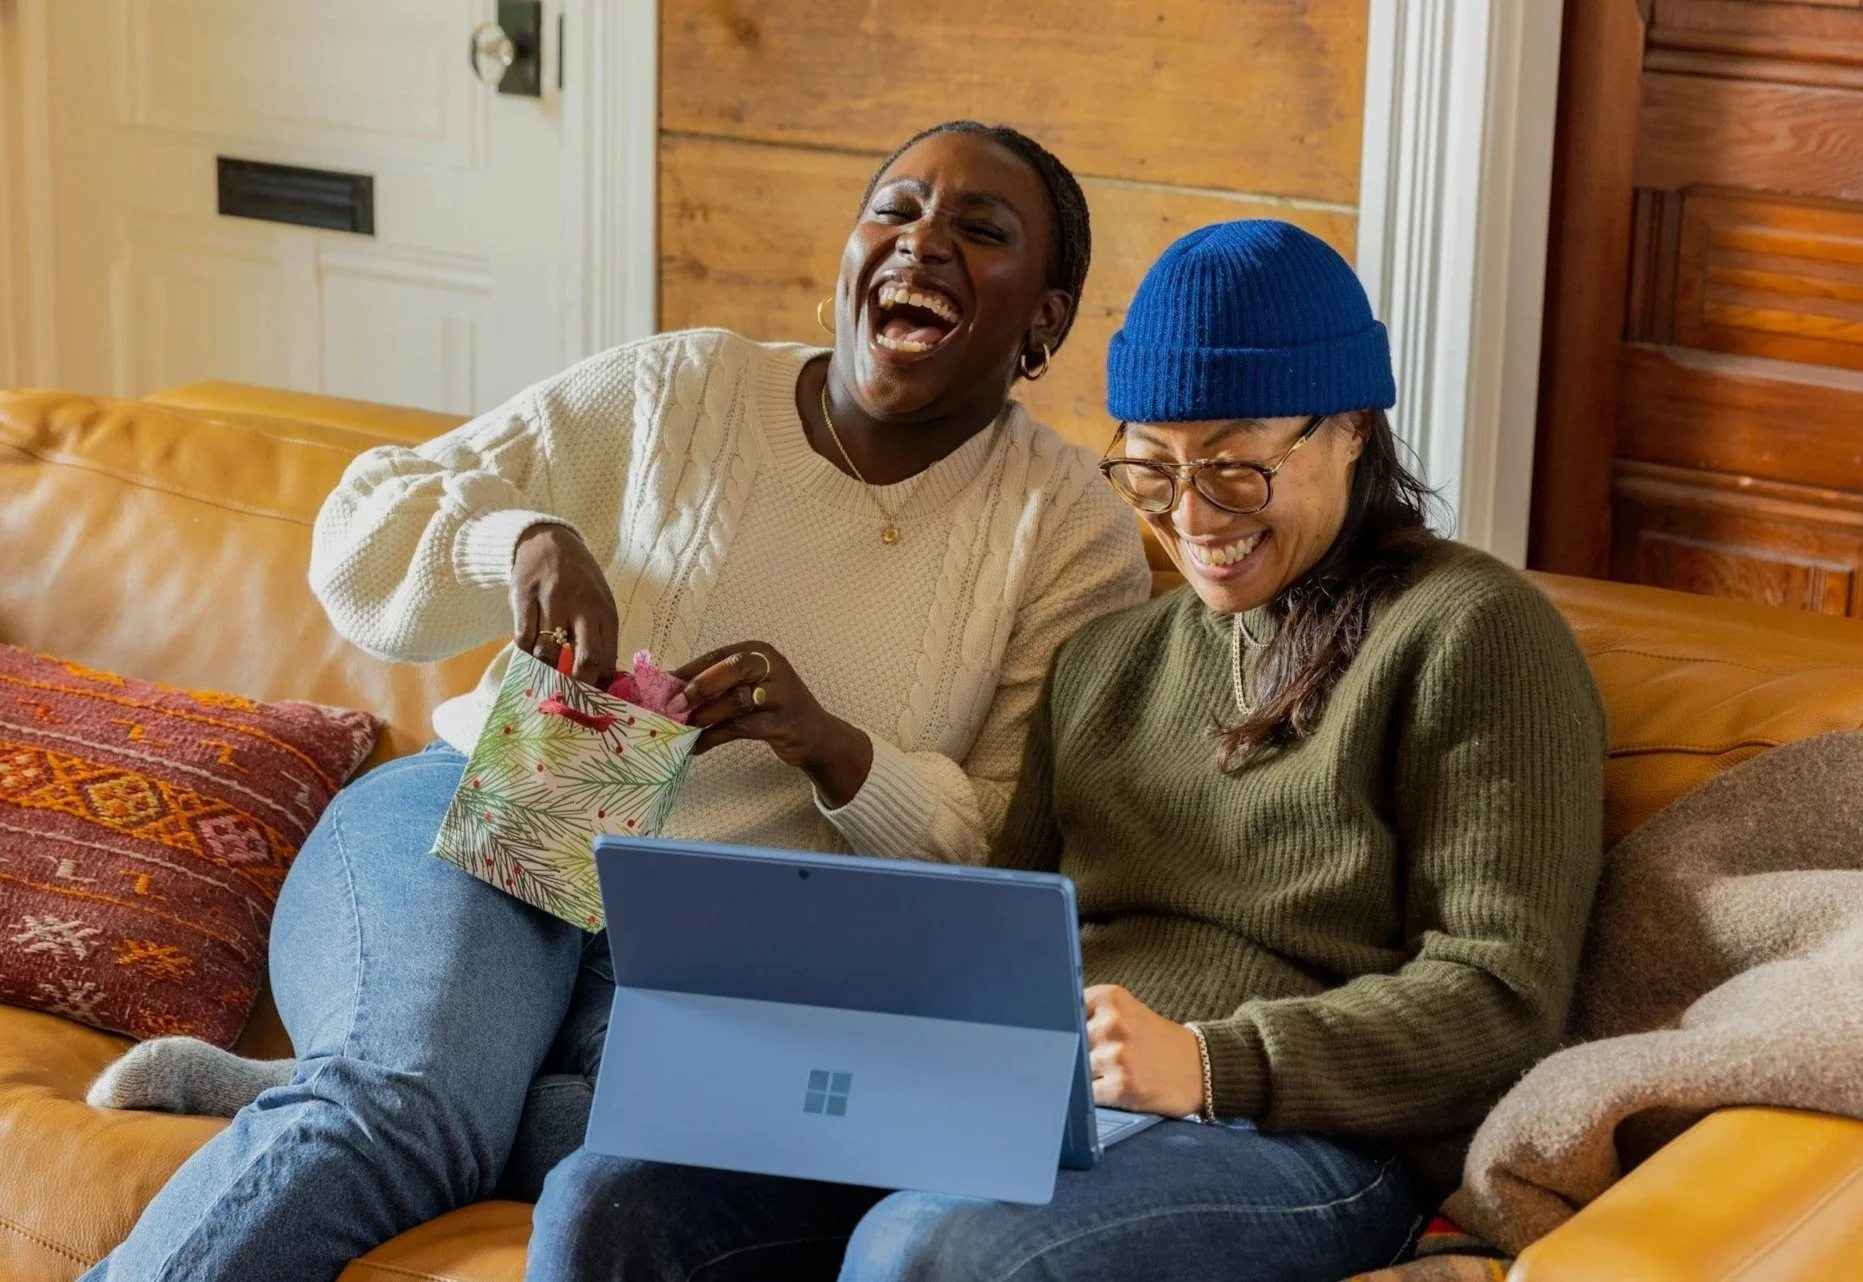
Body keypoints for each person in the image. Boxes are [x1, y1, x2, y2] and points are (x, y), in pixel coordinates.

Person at [80, 121, 1149, 1282]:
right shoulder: (684, 389)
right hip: (504, 812)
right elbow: (360, 523)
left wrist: (839, 753)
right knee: (401, 1113)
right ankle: (400, 1079)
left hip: (729, 943)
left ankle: (381, 1074)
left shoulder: (1069, 530)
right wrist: (521, 542)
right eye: (895, 210)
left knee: (661, 1157)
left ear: (1043, 319)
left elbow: (1013, 844)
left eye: (979, 231)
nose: (923, 242)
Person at [528, 220, 1608, 1282]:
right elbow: (1000, 931)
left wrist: (1213, 1061)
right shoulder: (1104, 662)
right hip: (1034, 1101)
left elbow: (1501, 996)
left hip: (1298, 1135)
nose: (1190, 517)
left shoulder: (1472, 630)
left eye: (1234, 469)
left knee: (931, 1250)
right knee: (608, 1196)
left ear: (1351, 430)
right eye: (1150, 470)